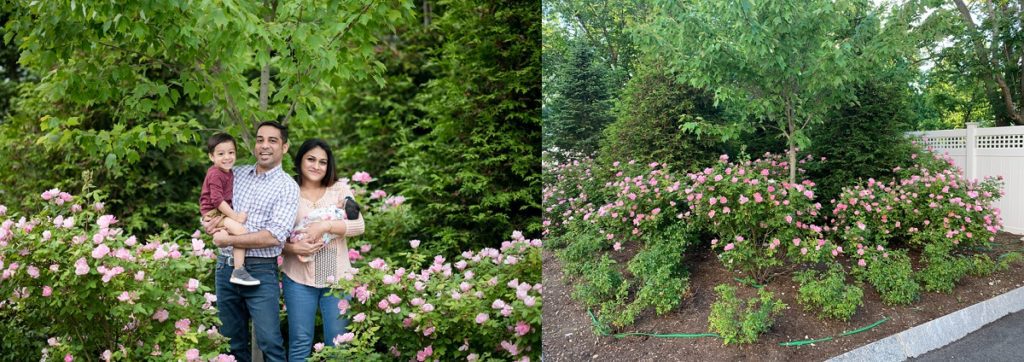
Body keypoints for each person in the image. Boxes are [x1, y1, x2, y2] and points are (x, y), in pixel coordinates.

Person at [205, 121, 298, 362]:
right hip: (225, 268)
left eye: (272, 140)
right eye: (260, 139)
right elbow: (211, 203)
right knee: (230, 342)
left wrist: (229, 236)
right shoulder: (235, 174)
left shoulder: (287, 187)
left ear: (285, 147)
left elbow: (274, 235)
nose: (264, 145)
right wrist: (210, 223)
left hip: (260, 269)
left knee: (270, 342)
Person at [281, 138, 365, 361]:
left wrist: (325, 225)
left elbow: (358, 225)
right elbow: (274, 237)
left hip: (335, 277)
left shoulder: (339, 190)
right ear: (300, 161)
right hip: (298, 276)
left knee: (338, 343)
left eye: (322, 162)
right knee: (300, 341)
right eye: (311, 159)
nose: (316, 166)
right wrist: (292, 247)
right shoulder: (288, 190)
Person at [198, 133, 259, 286]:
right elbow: (217, 200)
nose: (227, 157)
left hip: (218, 213)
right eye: (221, 154)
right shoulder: (215, 174)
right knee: (241, 232)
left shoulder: (229, 172)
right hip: (214, 213)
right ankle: (239, 270)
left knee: (227, 235)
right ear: (211, 157)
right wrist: (235, 216)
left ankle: (236, 269)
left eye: (231, 152)